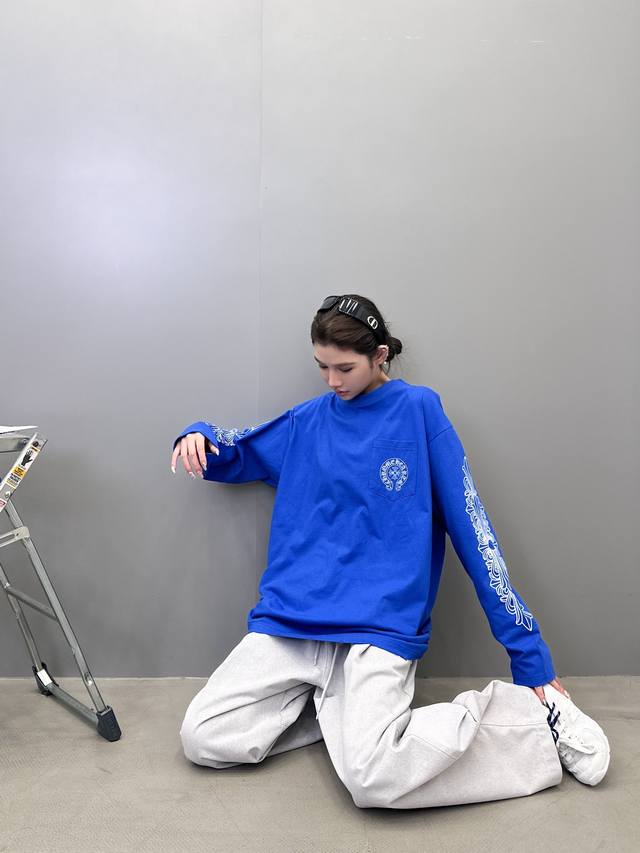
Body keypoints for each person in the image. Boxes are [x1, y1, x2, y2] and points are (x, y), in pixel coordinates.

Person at [170, 294, 610, 809]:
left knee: (371, 780)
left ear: (379, 356)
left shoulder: (419, 411)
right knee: (203, 736)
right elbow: (239, 447)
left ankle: (536, 725)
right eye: (321, 367)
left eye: (344, 368)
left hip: (379, 626)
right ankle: (343, 722)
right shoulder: (307, 421)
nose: (332, 381)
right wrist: (199, 435)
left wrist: (530, 658)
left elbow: (474, 531)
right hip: (294, 620)